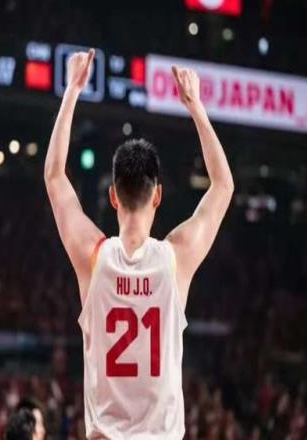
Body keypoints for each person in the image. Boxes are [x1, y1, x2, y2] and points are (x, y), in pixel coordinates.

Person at [44, 49, 234, 439]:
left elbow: (55, 177)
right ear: (158, 196)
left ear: (113, 196)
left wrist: (73, 90)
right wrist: (195, 106)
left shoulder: (93, 256)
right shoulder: (176, 258)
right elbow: (223, 186)